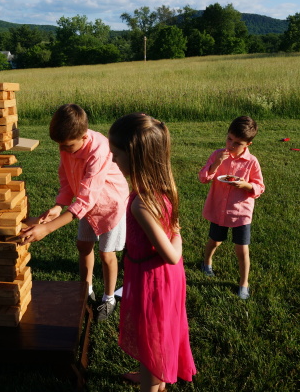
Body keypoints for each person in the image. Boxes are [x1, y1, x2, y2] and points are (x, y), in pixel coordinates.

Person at [109, 113, 196, 392]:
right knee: (158, 334)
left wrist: (177, 235)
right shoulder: (161, 188)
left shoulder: (141, 204)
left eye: (116, 154)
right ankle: (155, 377)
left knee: (151, 340)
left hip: (153, 280)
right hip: (160, 275)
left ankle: (152, 381)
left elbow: (171, 254)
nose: (112, 160)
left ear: (134, 157)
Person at [21, 104, 129, 321]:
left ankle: (109, 298)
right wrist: (59, 205)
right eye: (60, 145)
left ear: (83, 135)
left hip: (111, 205)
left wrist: (48, 228)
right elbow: (67, 179)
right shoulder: (67, 146)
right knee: (83, 245)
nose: (63, 150)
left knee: (107, 254)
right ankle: (85, 288)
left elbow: (87, 198)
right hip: (85, 206)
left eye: (68, 145)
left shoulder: (99, 150)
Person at [198, 116, 265, 300]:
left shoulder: (251, 162)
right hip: (219, 208)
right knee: (215, 241)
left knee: (241, 248)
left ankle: (244, 283)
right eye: (229, 139)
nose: (231, 145)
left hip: (241, 212)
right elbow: (203, 178)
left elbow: (260, 186)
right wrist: (216, 163)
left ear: (248, 144)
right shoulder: (217, 154)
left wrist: (247, 186)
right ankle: (206, 262)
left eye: (237, 143)